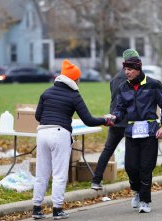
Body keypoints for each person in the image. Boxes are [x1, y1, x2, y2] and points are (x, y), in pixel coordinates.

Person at [32, 59, 114, 220]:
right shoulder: (74, 95)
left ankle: (36, 209)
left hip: (42, 133)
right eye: (79, 79)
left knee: (41, 173)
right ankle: (57, 209)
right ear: (75, 79)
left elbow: (37, 116)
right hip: (59, 133)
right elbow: (88, 120)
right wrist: (105, 120)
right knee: (59, 173)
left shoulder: (46, 92)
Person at [111, 49, 162, 213]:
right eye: (125, 69)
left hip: (150, 132)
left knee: (146, 167)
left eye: (129, 69)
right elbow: (120, 109)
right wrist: (114, 117)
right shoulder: (123, 87)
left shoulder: (153, 84)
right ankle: (137, 191)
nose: (127, 72)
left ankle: (145, 201)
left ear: (138, 69)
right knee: (131, 167)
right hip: (131, 132)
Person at [91, 56, 129, 190]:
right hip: (128, 120)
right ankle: (135, 182)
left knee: (107, 150)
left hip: (114, 119)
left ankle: (96, 180)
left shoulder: (115, 78)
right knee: (133, 151)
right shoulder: (132, 78)